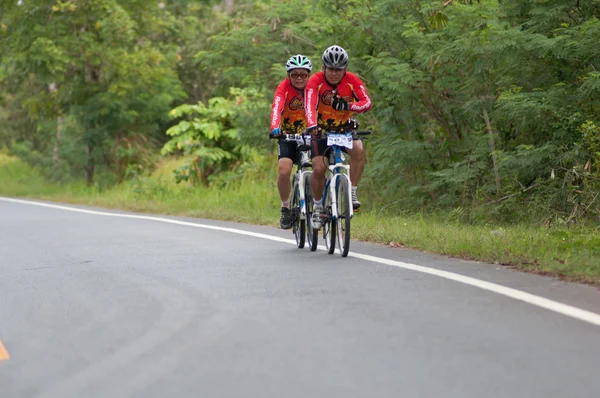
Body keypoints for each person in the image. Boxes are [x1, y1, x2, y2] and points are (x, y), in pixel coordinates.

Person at [304, 45, 372, 229]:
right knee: (319, 168)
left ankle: (352, 191)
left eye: (339, 70)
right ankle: (318, 206)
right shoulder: (315, 81)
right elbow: (309, 104)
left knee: (358, 150)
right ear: (323, 67)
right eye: (331, 69)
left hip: (343, 128)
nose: (334, 73)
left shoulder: (352, 80)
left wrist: (349, 107)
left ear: (345, 69)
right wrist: (312, 125)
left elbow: (367, 103)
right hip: (321, 129)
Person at [269, 54, 313, 229]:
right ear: (289, 76)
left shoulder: (314, 88)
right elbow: (276, 107)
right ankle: (285, 207)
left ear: (309, 75)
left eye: (303, 74)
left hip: (310, 134)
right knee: (284, 170)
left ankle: (319, 205)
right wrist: (275, 127)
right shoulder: (283, 88)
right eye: (295, 75)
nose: (299, 78)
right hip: (287, 134)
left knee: (318, 166)